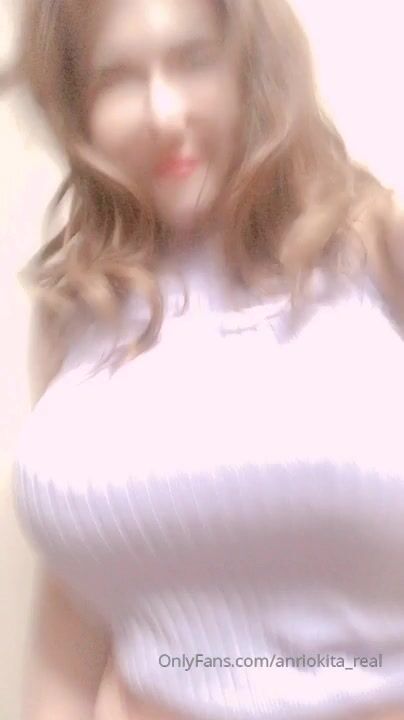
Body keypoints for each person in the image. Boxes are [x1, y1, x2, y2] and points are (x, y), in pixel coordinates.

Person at [4, 0, 404, 719]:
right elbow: (76, 612)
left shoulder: (378, 249)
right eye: (117, 78)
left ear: (254, 63)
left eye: (194, 59)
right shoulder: (78, 308)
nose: (164, 113)